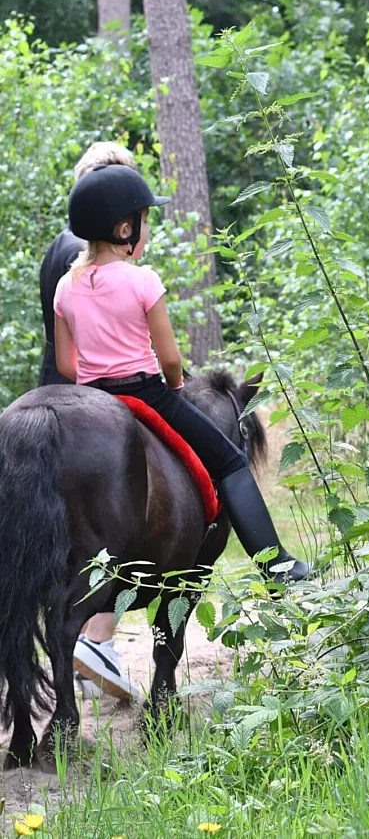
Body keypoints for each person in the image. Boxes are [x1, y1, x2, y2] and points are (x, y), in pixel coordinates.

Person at [53, 166, 309, 613]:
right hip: (148, 393)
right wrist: (175, 386)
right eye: (144, 220)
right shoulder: (143, 281)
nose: (146, 229)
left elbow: (64, 364)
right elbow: (171, 359)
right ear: (124, 228)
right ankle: (277, 568)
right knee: (229, 462)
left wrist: (94, 383)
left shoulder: (65, 287)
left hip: (92, 400)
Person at [39, 143, 141, 702]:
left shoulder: (59, 249)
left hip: (50, 392)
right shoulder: (106, 256)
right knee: (128, 523)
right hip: (98, 394)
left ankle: (73, 648)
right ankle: (97, 638)